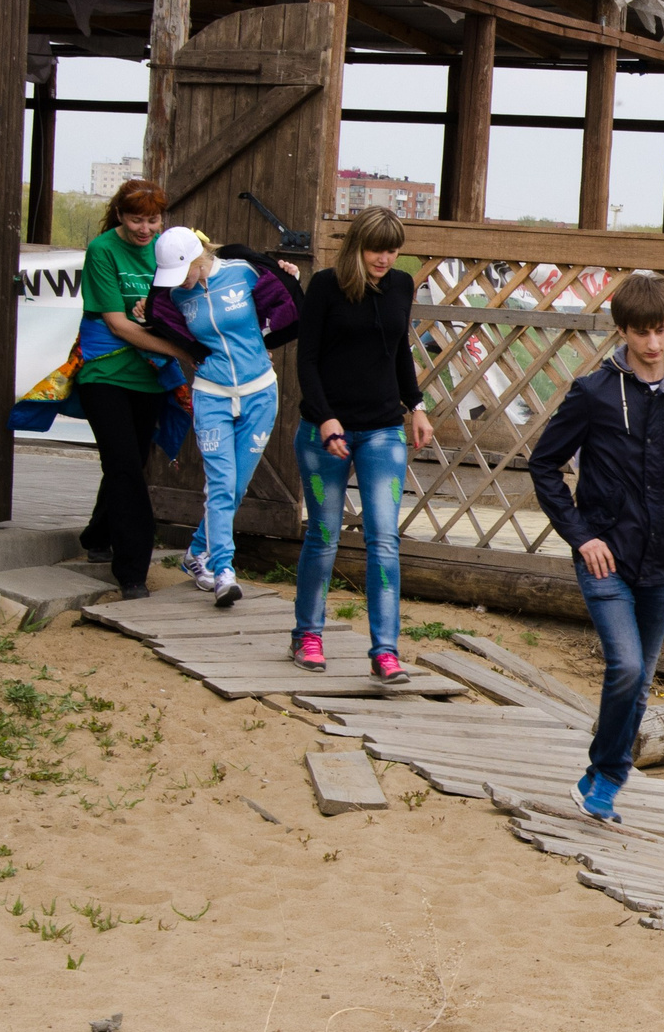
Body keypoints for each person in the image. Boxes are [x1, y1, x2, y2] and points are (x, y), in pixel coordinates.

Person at [528, 273, 664, 822]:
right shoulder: (593, 392)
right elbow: (543, 466)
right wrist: (581, 535)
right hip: (604, 556)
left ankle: (597, 778)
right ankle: (609, 775)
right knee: (629, 669)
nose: (654, 344)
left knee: (638, 687)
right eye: (642, 333)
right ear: (622, 331)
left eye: (661, 331)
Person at [290, 208, 434, 681]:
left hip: (381, 428)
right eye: (377, 249)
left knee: (384, 540)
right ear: (356, 246)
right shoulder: (326, 286)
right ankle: (308, 634)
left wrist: (416, 405)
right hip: (323, 431)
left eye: (393, 250)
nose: (385, 258)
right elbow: (306, 360)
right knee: (325, 535)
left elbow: (398, 350)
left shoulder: (401, 285)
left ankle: (385, 651)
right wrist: (327, 418)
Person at [140, 228, 302, 609]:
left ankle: (197, 551)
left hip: (260, 391)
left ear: (198, 257)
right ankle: (223, 570)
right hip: (211, 393)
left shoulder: (244, 271)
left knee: (236, 488)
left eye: (182, 273)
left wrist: (288, 276)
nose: (178, 283)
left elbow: (279, 304)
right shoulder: (174, 296)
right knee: (221, 482)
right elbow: (166, 325)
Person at [75, 180, 193, 598]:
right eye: (136, 219)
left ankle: (95, 537)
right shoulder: (102, 251)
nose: (145, 229)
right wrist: (182, 350)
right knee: (124, 464)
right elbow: (118, 324)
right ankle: (131, 572)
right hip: (105, 372)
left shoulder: (170, 248)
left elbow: (192, 298)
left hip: (150, 377)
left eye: (153, 219)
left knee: (132, 461)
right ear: (120, 217)